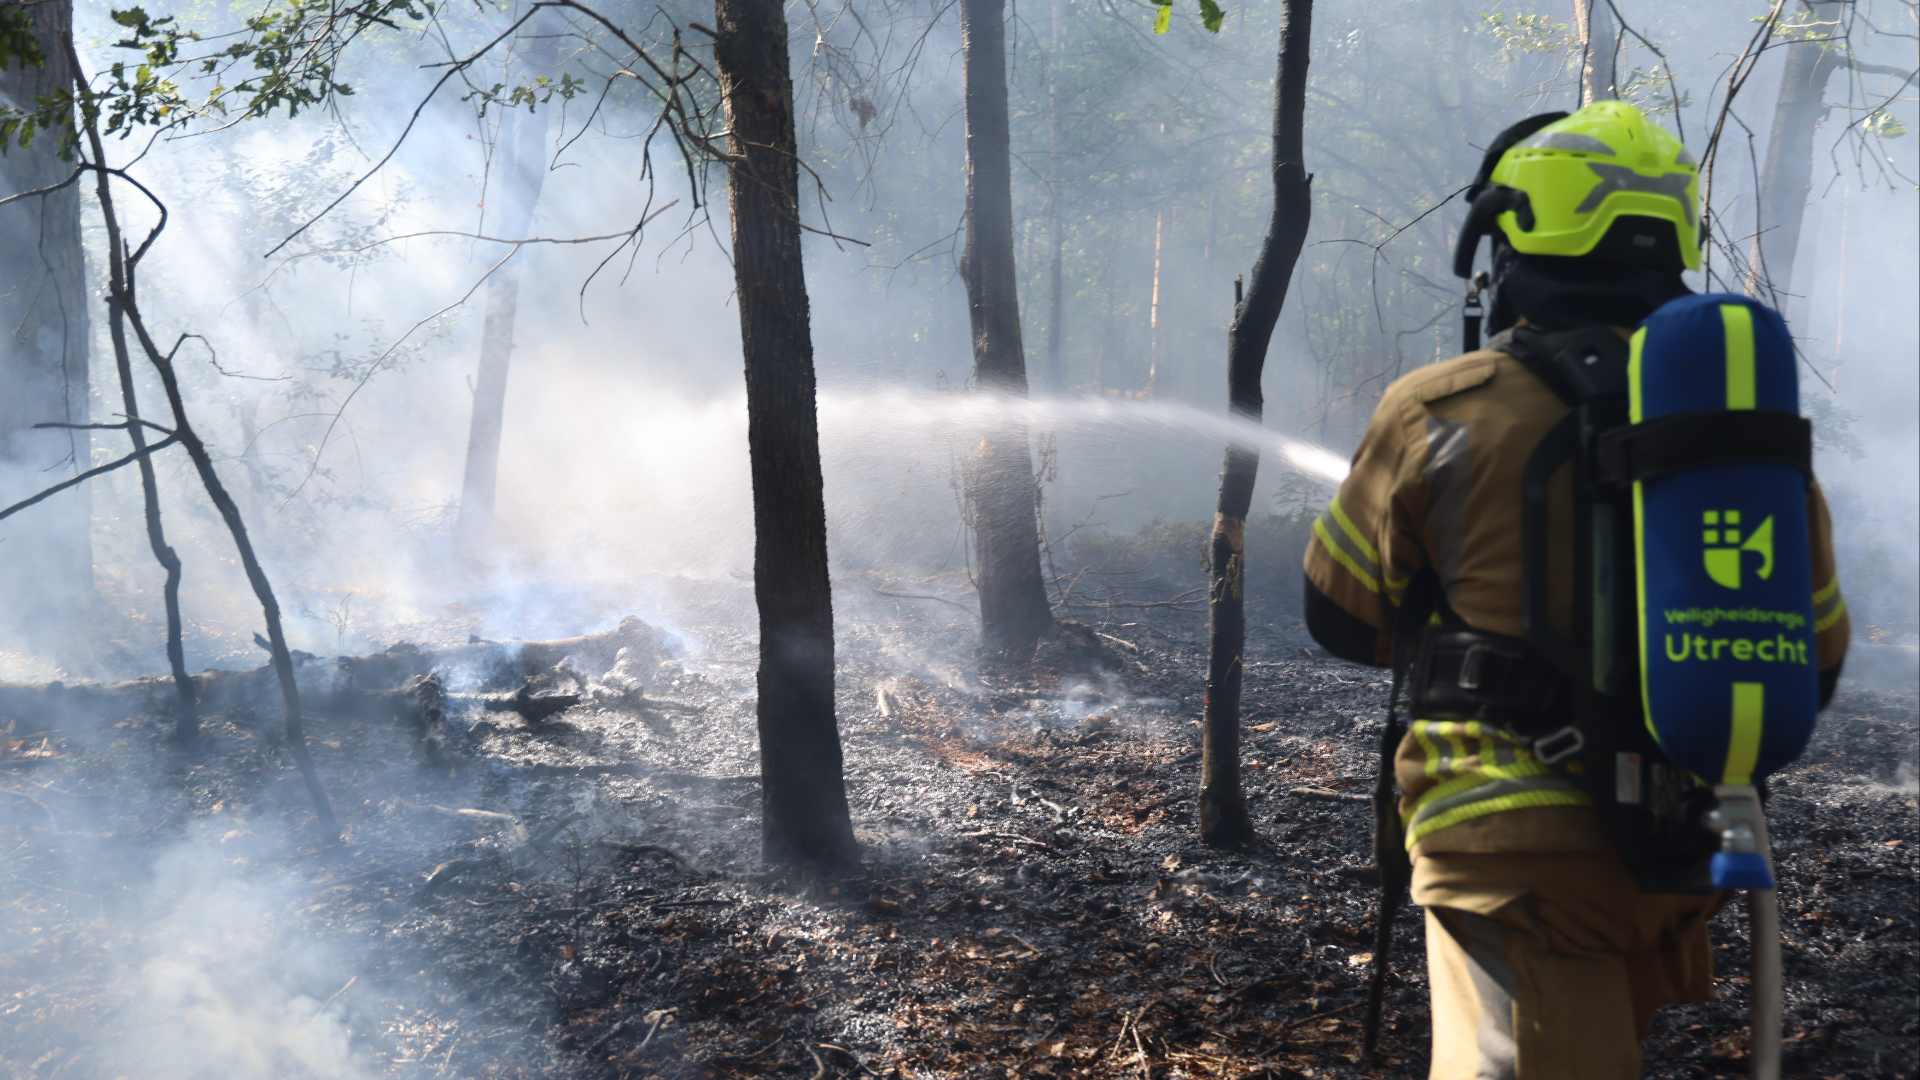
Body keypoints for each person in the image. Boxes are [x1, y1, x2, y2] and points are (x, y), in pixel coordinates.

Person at [1301, 100, 1850, 1079]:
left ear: (1511, 242)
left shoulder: (1444, 409)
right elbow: (1819, 654)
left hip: (1507, 852)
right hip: (1678, 846)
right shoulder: (1738, 441)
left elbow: (1337, 614)